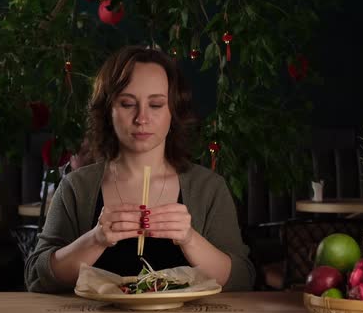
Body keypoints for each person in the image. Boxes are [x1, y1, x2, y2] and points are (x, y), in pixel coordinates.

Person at [25, 46, 255, 293]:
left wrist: (190, 239)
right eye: (127, 104)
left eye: (156, 105)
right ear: (108, 111)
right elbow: (37, 276)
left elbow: (242, 278)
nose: (141, 118)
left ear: (173, 112)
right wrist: (95, 239)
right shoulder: (76, 187)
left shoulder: (209, 188)